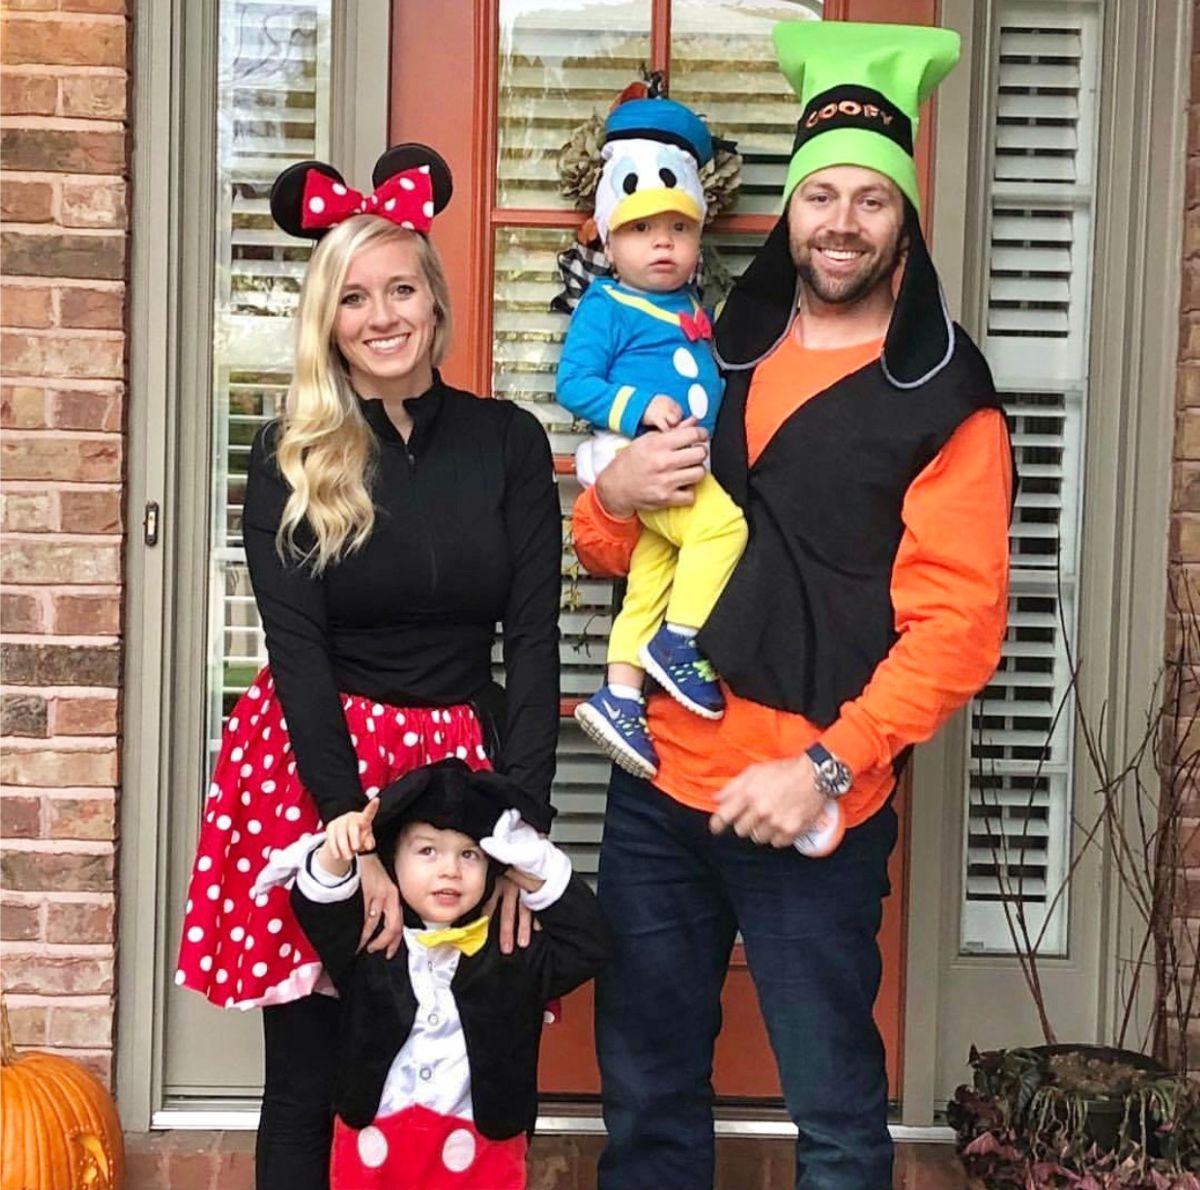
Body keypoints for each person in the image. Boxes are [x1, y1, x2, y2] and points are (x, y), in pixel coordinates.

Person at [572, 22, 1015, 1189]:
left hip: (809, 802)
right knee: (648, 1098)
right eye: (821, 193)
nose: (840, 221)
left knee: (832, 1117)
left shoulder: (944, 395)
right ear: (791, 208)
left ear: (904, 217)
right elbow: (620, 547)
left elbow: (960, 625)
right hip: (661, 785)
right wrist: (612, 494)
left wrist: (826, 764)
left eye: (872, 199)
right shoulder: (719, 351)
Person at [174, 143, 562, 1190]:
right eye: (354, 297)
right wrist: (357, 842)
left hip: (457, 779)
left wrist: (520, 831)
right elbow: (295, 653)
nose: (382, 315)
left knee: (449, 1069)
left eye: (401, 288)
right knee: (313, 1073)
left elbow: (533, 640)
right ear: (328, 320)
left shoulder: (508, 442)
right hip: (318, 771)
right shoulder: (288, 451)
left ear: (434, 301)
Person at [272, 758, 612, 1190]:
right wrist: (335, 854)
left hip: (482, 1149)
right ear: (393, 858)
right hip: (372, 1149)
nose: (449, 869)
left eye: (469, 854)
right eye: (427, 850)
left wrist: (539, 865)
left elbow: (591, 944)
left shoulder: (511, 945)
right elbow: (316, 906)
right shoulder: (373, 935)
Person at [557, 97, 748, 782]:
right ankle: (680, 640)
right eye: (640, 229)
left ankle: (620, 693)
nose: (661, 242)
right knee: (722, 531)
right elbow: (574, 383)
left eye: (677, 227)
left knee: (652, 577)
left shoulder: (693, 308)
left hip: (683, 467)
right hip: (636, 458)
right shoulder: (605, 305)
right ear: (609, 240)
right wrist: (639, 405)